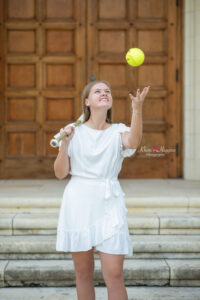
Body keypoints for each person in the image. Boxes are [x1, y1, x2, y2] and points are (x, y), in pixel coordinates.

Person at [53, 80, 150, 300]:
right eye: (98, 91)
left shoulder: (118, 131)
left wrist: (137, 109)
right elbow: (60, 173)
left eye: (108, 90)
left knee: (114, 274)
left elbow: (133, 142)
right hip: (79, 201)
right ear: (87, 102)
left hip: (109, 202)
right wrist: (65, 144)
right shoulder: (72, 132)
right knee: (83, 273)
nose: (104, 93)